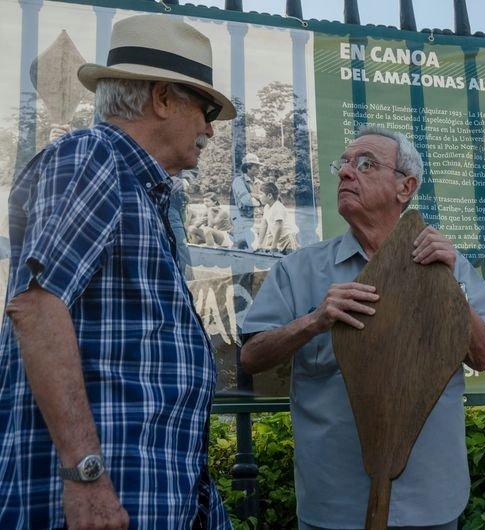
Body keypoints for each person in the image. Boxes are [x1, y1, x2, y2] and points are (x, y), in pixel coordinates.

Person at [0, 14, 236, 529]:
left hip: (141, 497)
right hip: (102, 503)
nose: (211, 128)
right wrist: (86, 478)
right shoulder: (94, 155)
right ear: (163, 99)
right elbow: (36, 304)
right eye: (207, 108)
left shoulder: (137, 187)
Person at [240, 125, 485, 529]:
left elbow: (482, 354)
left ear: (406, 188)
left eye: (365, 164)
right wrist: (314, 322)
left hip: (430, 501)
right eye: (344, 164)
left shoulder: (448, 263)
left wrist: (449, 282)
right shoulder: (300, 269)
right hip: (334, 502)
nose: (347, 173)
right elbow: (251, 357)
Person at [255, 182, 298, 253]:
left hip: (287, 239)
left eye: (261, 194)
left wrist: (274, 245)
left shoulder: (278, 207)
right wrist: (259, 244)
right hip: (279, 239)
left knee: (290, 259)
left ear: (269, 196)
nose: (259, 196)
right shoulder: (267, 207)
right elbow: (264, 225)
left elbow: (279, 227)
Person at [231, 152, 262, 249]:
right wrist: (259, 198)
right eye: (256, 166)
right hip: (243, 219)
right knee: (247, 246)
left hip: (259, 220)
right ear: (248, 167)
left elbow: (267, 201)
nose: (258, 169)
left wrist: (253, 195)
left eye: (258, 166)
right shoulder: (238, 181)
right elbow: (247, 201)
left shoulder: (260, 182)